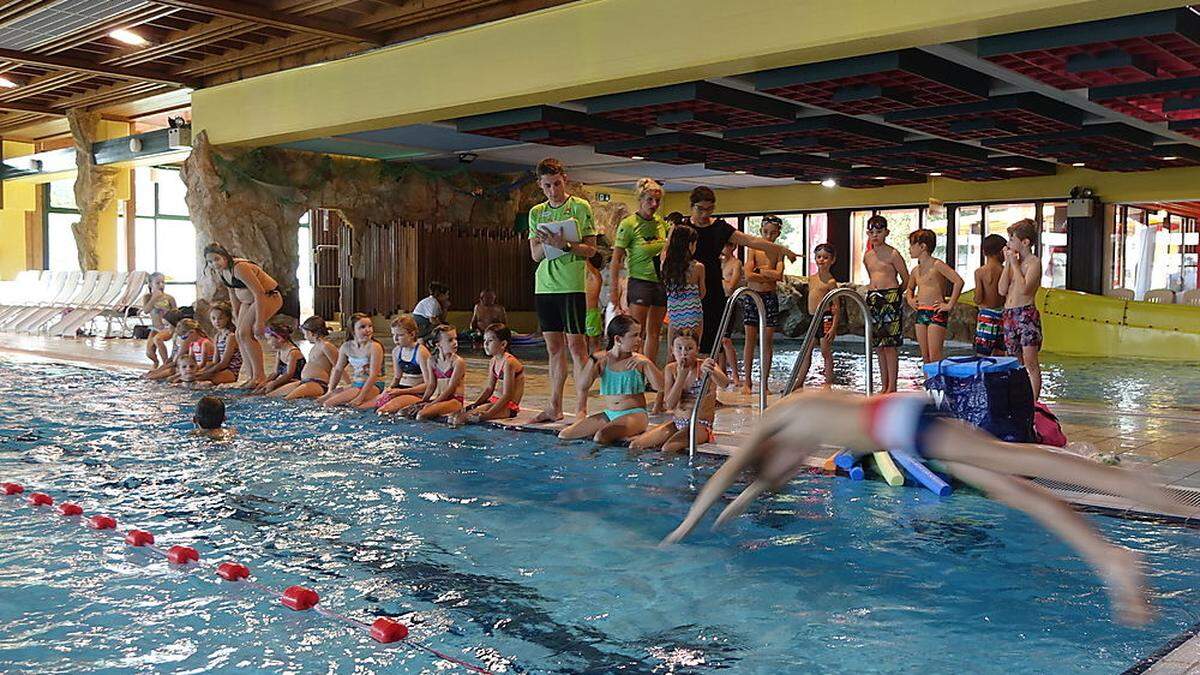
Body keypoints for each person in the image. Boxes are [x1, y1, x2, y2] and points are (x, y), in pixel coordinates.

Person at [662, 388, 1173, 627]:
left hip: (904, 423)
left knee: (1014, 460)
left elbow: (730, 475)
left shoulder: (774, 424)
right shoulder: (789, 437)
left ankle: (1132, 486)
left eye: (780, 473)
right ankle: (1112, 562)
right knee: (1016, 489)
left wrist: (686, 527)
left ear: (767, 456)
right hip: (906, 424)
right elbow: (754, 484)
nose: (791, 474)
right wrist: (728, 516)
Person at [684, 187, 798, 358]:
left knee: (714, 340)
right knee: (683, 340)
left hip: (713, 285)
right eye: (700, 209)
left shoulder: (720, 228)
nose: (704, 214)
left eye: (709, 209)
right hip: (689, 286)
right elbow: (666, 255)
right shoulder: (683, 228)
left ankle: (709, 382)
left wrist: (782, 249)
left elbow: (752, 241)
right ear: (692, 206)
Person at [527, 157, 598, 423]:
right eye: (547, 186)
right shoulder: (536, 213)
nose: (553, 190)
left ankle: (581, 407)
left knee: (576, 346)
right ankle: (554, 406)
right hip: (544, 286)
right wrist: (549, 244)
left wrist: (566, 245)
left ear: (564, 180)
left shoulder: (580, 207)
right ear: (540, 185)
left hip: (571, 285)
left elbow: (591, 249)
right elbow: (534, 255)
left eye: (557, 184)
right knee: (554, 348)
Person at [558, 315, 664, 444]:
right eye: (634, 335)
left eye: (639, 335)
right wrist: (592, 361)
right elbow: (582, 385)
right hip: (609, 414)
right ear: (618, 339)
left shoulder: (640, 361)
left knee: (601, 436)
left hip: (636, 415)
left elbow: (661, 387)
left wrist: (648, 364)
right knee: (565, 435)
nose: (639, 340)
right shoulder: (602, 360)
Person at [203, 243, 284, 389]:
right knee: (239, 335)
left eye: (216, 259)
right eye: (210, 261)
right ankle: (251, 376)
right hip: (248, 301)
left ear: (224, 256)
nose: (214, 264)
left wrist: (259, 322)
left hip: (268, 296)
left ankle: (260, 376)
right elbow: (232, 292)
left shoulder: (239, 268)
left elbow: (259, 292)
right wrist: (235, 314)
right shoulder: (221, 271)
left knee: (247, 333)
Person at [630, 329, 726, 451]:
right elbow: (670, 404)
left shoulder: (704, 367)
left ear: (697, 349)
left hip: (701, 425)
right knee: (636, 445)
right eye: (679, 348)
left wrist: (713, 370)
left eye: (689, 348)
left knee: (668, 448)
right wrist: (681, 377)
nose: (683, 353)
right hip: (677, 422)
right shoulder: (671, 369)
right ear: (672, 350)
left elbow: (725, 384)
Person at [611, 178, 669, 363]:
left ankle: (648, 371)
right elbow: (615, 260)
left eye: (657, 201)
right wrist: (614, 292)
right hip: (640, 281)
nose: (654, 204)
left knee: (655, 332)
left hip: (660, 282)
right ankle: (632, 370)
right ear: (641, 199)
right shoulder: (628, 224)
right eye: (650, 200)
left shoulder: (662, 224)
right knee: (637, 331)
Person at [863, 215, 910, 393]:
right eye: (871, 232)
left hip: (890, 297)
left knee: (889, 345)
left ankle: (892, 386)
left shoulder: (893, 254)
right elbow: (871, 276)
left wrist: (896, 295)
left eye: (879, 231)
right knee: (879, 346)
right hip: (873, 297)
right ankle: (884, 385)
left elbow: (906, 278)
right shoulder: (867, 256)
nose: (875, 235)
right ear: (868, 233)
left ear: (886, 232)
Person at [741, 215, 787, 395]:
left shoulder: (779, 251)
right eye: (766, 232)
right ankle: (747, 382)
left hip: (769, 296)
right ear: (761, 231)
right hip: (752, 296)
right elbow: (749, 275)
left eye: (773, 233)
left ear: (778, 233)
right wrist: (767, 273)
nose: (769, 236)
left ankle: (764, 383)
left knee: (767, 342)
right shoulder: (754, 248)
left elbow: (779, 276)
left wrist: (760, 272)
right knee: (749, 341)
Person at [1000, 218, 1044, 400]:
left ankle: (1033, 403)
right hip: (1009, 313)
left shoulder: (1034, 263)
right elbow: (1002, 289)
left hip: (1026, 313)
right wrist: (1009, 264)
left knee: (1030, 362)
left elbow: (1025, 288)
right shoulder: (1013, 264)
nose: (1009, 244)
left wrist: (1015, 265)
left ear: (1024, 242)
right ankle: (1019, 399)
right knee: (1015, 362)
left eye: (1012, 239)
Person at [905, 229, 964, 365]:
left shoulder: (937, 265)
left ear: (922, 246)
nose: (909, 249)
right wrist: (910, 299)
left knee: (935, 355)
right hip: (921, 312)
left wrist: (949, 305)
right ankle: (929, 385)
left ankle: (938, 385)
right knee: (925, 356)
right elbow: (910, 288)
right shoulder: (915, 270)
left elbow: (958, 281)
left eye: (911, 245)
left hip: (936, 312)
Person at [451, 323, 526, 426]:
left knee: (468, 418)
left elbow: (507, 395)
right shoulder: (493, 361)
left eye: (490, 341)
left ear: (503, 344)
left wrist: (488, 414)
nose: (485, 344)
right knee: (456, 417)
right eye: (484, 340)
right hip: (495, 402)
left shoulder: (509, 363)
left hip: (509, 407)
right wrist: (475, 405)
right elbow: (489, 389)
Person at [795, 244, 841, 388]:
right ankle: (799, 382)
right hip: (812, 317)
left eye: (826, 258)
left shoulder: (831, 282)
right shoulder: (812, 278)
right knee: (806, 351)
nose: (822, 260)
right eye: (819, 257)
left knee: (825, 351)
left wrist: (833, 327)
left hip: (825, 317)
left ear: (832, 260)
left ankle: (828, 383)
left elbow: (836, 307)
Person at [318, 313, 385, 409]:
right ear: (353, 330)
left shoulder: (375, 347)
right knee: (319, 401)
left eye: (370, 326)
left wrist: (360, 398)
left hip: (373, 385)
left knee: (328, 404)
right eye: (362, 327)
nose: (368, 330)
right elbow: (338, 370)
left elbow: (374, 375)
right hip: (356, 384)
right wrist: (330, 391)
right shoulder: (346, 347)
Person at [269, 316, 343, 400]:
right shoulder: (315, 346)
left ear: (312, 333)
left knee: (287, 400)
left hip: (317, 383)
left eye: (305, 334)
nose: (304, 337)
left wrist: (346, 385)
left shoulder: (326, 346)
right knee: (270, 396)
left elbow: (339, 367)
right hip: (304, 382)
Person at [376, 315, 435, 415]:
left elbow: (429, 384)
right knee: (377, 404)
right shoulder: (396, 351)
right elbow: (397, 377)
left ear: (412, 334)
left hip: (417, 393)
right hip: (402, 389)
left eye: (399, 335)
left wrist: (402, 392)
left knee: (383, 411)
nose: (395, 339)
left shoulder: (421, 352)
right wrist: (388, 389)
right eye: (393, 335)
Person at [662, 224, 705, 359]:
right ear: (690, 245)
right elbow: (702, 293)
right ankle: (692, 379)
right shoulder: (698, 267)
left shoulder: (666, 266)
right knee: (692, 352)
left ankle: (671, 377)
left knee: (674, 352)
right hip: (693, 314)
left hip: (674, 316)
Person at [409, 324, 466, 421]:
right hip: (440, 399)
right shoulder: (432, 361)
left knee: (421, 415)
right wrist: (422, 402)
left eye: (455, 339)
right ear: (438, 344)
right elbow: (431, 385)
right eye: (450, 340)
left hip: (454, 400)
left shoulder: (458, 362)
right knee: (405, 412)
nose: (455, 343)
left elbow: (451, 389)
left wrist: (431, 404)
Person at [974, 234, 1008, 356]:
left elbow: (978, 299)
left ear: (984, 252)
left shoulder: (980, 272)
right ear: (1001, 252)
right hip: (1003, 316)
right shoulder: (1006, 271)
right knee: (1000, 354)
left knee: (983, 355)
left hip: (986, 317)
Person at [254, 320, 306, 396]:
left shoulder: (293, 353)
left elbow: (289, 374)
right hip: (287, 381)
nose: (268, 342)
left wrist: (273, 384)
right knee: (260, 390)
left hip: (296, 382)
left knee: (267, 394)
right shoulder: (280, 351)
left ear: (279, 339)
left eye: (269, 339)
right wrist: (265, 382)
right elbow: (275, 373)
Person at [195, 302, 242, 386]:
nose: (216, 321)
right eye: (213, 318)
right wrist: (200, 371)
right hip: (221, 369)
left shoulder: (231, 337)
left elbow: (224, 363)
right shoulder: (217, 336)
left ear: (227, 318)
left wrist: (206, 373)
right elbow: (215, 361)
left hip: (231, 371)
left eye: (220, 318)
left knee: (202, 381)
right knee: (194, 378)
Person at [719, 241, 743, 390]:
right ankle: (722, 372)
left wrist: (719, 281)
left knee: (726, 340)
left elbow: (731, 287)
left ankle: (735, 375)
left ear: (733, 247)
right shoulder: (717, 262)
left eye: (727, 245)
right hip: (717, 302)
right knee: (719, 341)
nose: (723, 248)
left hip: (729, 302)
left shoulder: (736, 263)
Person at [141, 273, 177, 366]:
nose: (161, 285)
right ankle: (156, 362)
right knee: (149, 353)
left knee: (158, 339)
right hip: (155, 328)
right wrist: (154, 298)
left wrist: (166, 311)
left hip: (168, 328)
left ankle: (166, 364)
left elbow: (176, 315)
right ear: (150, 284)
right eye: (157, 283)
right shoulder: (147, 297)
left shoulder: (170, 298)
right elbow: (146, 310)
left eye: (163, 282)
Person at [143, 309, 186, 379]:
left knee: (153, 377)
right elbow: (172, 357)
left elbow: (175, 361)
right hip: (176, 364)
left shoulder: (183, 339)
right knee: (150, 375)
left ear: (176, 324)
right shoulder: (175, 336)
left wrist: (158, 371)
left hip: (181, 366)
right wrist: (160, 368)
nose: (165, 328)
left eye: (167, 325)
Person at [585, 253, 605, 353]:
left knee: (593, 341)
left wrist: (584, 255)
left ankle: (596, 361)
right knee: (584, 341)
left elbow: (587, 264)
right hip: (584, 312)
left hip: (592, 313)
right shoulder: (587, 277)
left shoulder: (596, 275)